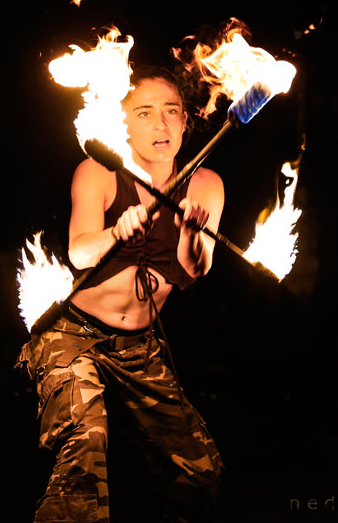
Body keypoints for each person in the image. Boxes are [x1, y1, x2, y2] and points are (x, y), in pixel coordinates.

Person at [16, 65, 225, 523]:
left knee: (200, 475)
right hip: (72, 335)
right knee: (85, 450)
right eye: (145, 113)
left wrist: (192, 232)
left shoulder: (207, 186)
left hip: (140, 347)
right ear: (122, 122)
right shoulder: (98, 172)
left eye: (171, 112)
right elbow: (80, 252)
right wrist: (117, 231)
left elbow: (196, 267)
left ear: (187, 120)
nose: (161, 124)